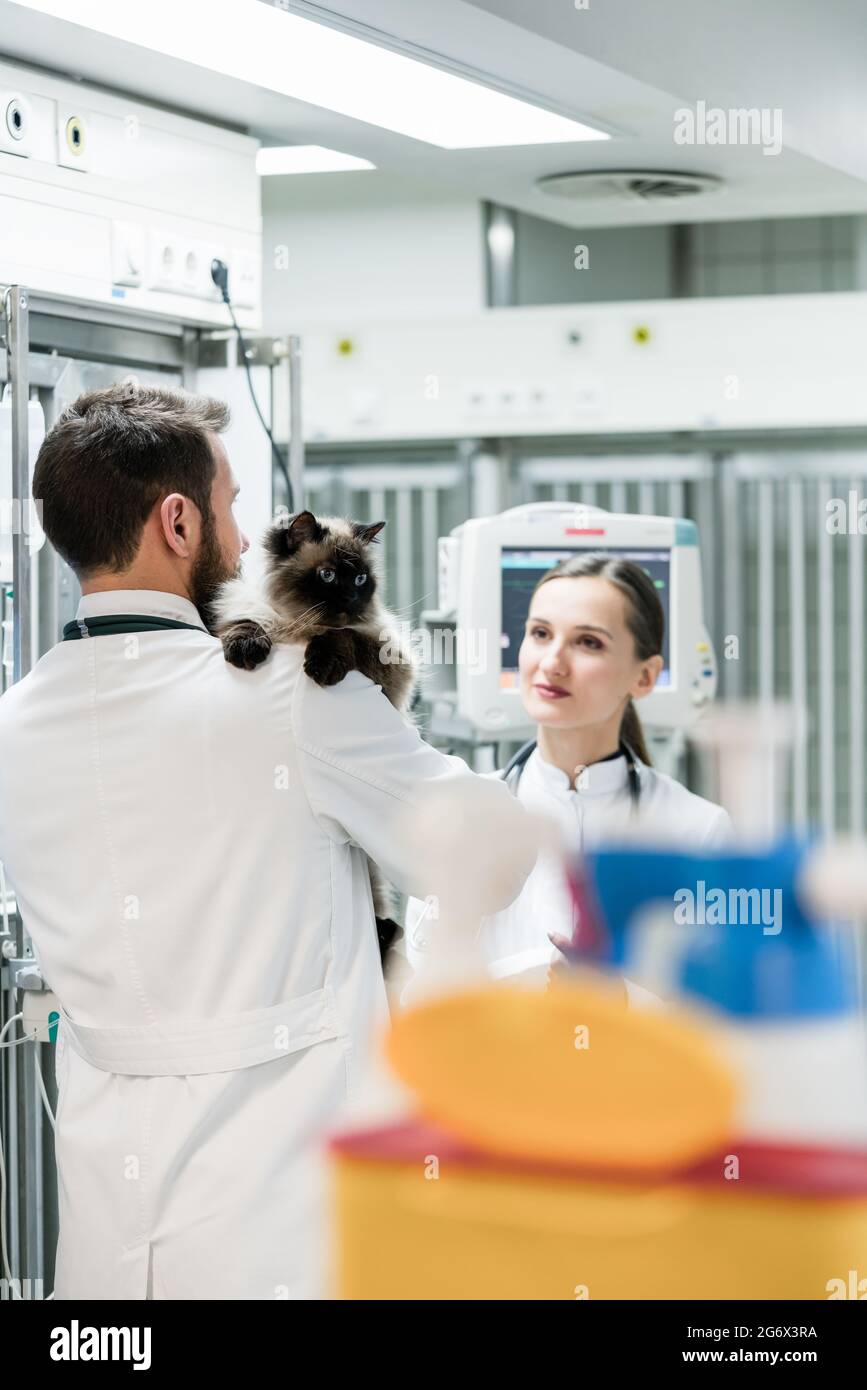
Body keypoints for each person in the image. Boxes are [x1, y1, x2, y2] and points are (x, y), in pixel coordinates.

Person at [0, 382, 535, 1300]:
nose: (246, 540)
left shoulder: (13, 725)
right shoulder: (289, 695)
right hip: (283, 1238)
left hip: (101, 1256)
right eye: (231, 505)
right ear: (177, 521)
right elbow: (490, 853)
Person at [404, 552, 731, 999]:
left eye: (588, 643)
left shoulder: (698, 831)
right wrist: (534, 974)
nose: (553, 662)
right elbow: (424, 999)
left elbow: (716, 1011)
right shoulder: (468, 820)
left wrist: (621, 997)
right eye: (540, 634)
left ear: (645, 676)